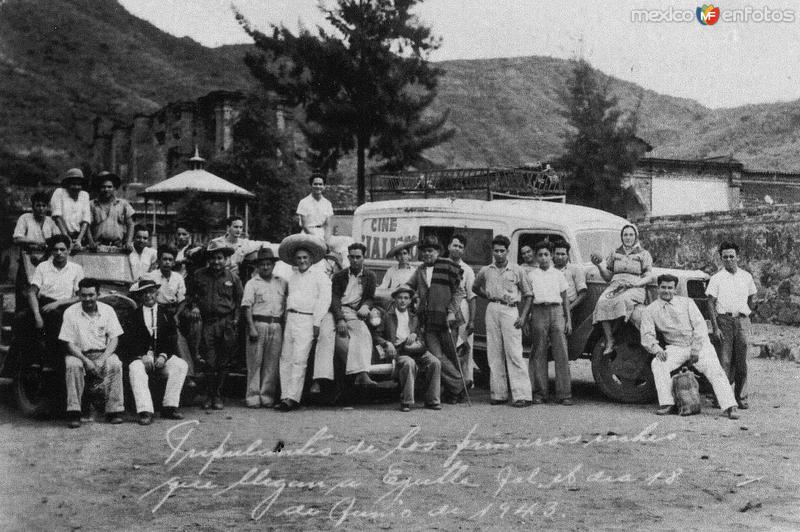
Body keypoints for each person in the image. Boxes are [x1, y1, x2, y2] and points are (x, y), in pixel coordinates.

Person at [640, 274, 739, 419]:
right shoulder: (650, 310)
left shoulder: (687, 303)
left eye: (670, 288)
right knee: (658, 363)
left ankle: (730, 406)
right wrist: (656, 349)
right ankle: (667, 403)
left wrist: (696, 348)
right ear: (658, 289)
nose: (666, 291)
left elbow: (700, 327)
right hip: (676, 347)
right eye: (663, 287)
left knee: (715, 369)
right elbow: (647, 334)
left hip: (699, 344)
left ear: (675, 289)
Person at [473, 234, 533, 407]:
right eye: (496, 251)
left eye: (502, 251)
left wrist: (523, 317)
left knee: (514, 352)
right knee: (494, 351)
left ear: (507, 251)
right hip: (492, 308)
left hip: (510, 310)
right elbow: (475, 287)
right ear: (492, 251)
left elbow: (529, 295)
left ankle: (522, 395)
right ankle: (498, 393)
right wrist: (487, 295)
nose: (499, 254)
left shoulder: (517, 270)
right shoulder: (486, 270)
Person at [312, 242, 377, 395]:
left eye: (358, 257)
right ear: (348, 257)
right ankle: (319, 380)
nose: (354, 260)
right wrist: (339, 318)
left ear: (363, 258)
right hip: (336, 310)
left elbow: (370, 297)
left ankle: (362, 373)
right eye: (352, 257)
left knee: (363, 333)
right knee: (325, 335)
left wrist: (366, 306)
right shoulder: (340, 276)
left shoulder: (370, 276)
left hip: (354, 312)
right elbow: (333, 298)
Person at [406, 235, 465, 403]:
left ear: (438, 251)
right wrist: (401, 292)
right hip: (429, 321)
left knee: (451, 355)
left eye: (430, 251)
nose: (427, 255)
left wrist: (452, 311)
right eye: (424, 252)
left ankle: (453, 392)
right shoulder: (420, 270)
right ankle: (459, 385)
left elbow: (459, 292)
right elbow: (410, 286)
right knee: (437, 357)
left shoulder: (448, 266)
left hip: (448, 320)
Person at [60, 278, 125, 428]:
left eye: (91, 295)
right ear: (79, 295)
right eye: (84, 295)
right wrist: (85, 360)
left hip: (102, 352)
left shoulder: (108, 310)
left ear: (98, 294)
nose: (87, 299)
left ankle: (114, 411)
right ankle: (74, 412)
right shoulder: (70, 312)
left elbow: (114, 338)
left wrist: (102, 358)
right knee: (72, 365)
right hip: (78, 353)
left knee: (115, 363)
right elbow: (68, 343)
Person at [276, 234, 331, 411]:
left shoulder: (320, 277)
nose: (302, 261)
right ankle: (284, 396)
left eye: (305, 258)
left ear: (312, 259)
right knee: (286, 358)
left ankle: (293, 397)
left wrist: (316, 323)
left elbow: (324, 300)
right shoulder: (291, 277)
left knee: (299, 360)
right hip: (291, 319)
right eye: (298, 258)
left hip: (307, 319)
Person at [186, 241, 243, 410]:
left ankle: (218, 395)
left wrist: (235, 320)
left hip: (226, 322)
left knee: (223, 361)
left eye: (219, 258)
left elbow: (240, 301)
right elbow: (190, 295)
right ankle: (209, 395)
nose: (216, 262)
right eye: (213, 258)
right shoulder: (199, 275)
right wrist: (194, 306)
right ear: (208, 259)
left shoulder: (232, 278)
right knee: (209, 361)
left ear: (225, 259)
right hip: (207, 322)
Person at [122, 279, 188, 425]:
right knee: (135, 368)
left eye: (151, 292)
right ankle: (145, 411)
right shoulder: (133, 316)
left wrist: (164, 355)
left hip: (161, 359)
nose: (148, 295)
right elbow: (128, 341)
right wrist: (142, 356)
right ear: (139, 296)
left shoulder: (166, 314)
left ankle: (169, 406)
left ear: (156, 293)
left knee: (180, 365)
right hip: (143, 358)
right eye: (144, 293)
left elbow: (172, 338)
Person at [706, 241, 756, 410]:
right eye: (725, 257)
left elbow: (751, 298)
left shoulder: (746, 277)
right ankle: (721, 398)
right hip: (724, 321)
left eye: (731, 256)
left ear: (738, 257)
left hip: (741, 321)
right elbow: (710, 303)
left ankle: (741, 397)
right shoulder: (716, 278)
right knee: (724, 361)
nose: (728, 260)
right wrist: (715, 327)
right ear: (721, 258)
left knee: (741, 362)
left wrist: (746, 314)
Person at [376, 284, 441, 412]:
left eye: (406, 298)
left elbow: (420, 333)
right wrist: (387, 343)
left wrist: (415, 334)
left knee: (435, 362)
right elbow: (377, 335)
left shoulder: (413, 316)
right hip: (399, 350)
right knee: (408, 363)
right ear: (394, 299)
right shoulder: (388, 316)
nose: (403, 301)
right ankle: (407, 401)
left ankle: (432, 400)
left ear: (410, 301)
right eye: (400, 298)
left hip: (415, 349)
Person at [591, 224, 653, 355]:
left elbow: (649, 276)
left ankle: (614, 333)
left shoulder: (643, 254)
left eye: (631, 234)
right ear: (622, 237)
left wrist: (637, 284)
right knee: (602, 302)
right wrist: (599, 266)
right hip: (615, 285)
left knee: (622, 301)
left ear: (635, 236)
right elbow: (608, 276)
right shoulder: (615, 253)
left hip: (635, 286)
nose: (628, 237)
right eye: (625, 235)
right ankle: (610, 340)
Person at [26, 234, 84, 367]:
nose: (59, 253)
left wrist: (57, 303)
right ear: (51, 251)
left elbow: (79, 296)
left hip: (63, 305)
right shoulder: (43, 267)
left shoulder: (76, 269)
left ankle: (53, 364)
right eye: (55, 249)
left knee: (56, 320)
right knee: (21, 318)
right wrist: (37, 316)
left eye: (62, 249)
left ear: (68, 250)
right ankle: (22, 365)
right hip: (43, 305)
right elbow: (31, 292)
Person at [527, 240, 573, 405]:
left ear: (551, 255)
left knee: (561, 351)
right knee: (539, 352)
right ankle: (540, 393)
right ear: (536, 257)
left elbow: (565, 298)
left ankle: (564, 394)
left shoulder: (558, 274)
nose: (544, 258)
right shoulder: (531, 275)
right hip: (539, 311)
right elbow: (529, 299)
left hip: (556, 312)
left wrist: (568, 319)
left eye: (546, 254)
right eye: (540, 255)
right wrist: (526, 319)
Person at [241, 247, 287, 408]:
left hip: (276, 325)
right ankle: (253, 396)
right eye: (262, 265)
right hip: (258, 324)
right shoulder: (252, 283)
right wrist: (251, 328)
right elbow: (246, 307)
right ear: (257, 266)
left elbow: (286, 304)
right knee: (255, 362)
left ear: (273, 265)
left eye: (268, 264)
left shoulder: (281, 282)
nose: (266, 267)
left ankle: (267, 395)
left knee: (271, 363)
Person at [447, 234, 477, 385]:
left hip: (462, 307)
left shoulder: (467, 270)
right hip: (445, 307)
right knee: (448, 345)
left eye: (460, 247)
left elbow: (472, 296)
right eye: (455, 245)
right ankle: (450, 381)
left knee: (463, 345)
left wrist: (472, 320)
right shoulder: (442, 265)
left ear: (463, 250)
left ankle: (466, 380)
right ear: (449, 247)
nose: (457, 249)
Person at [89, 171, 135, 250]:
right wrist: (91, 242)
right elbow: (87, 226)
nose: (106, 189)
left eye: (109, 187)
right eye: (103, 187)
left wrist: (128, 242)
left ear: (114, 188)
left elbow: (130, 224)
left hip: (118, 247)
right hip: (97, 247)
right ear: (98, 188)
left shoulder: (123, 204)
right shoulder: (92, 204)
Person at [50, 168, 91, 250]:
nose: (76, 187)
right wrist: (67, 238)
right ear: (67, 184)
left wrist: (79, 239)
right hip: (60, 235)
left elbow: (86, 219)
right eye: (73, 184)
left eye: (79, 184)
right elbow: (57, 218)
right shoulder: (59, 192)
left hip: (78, 237)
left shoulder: (84, 195)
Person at [296, 174, 334, 240]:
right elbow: (305, 226)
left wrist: (326, 239)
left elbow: (328, 226)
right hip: (307, 234)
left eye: (320, 184)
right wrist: (316, 239)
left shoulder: (327, 203)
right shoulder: (303, 202)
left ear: (324, 186)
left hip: (322, 233)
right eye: (315, 184)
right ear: (311, 185)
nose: (318, 186)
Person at [553, 239, 587, 311]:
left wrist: (569, 308)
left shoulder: (575, 270)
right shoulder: (549, 270)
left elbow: (583, 293)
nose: (560, 257)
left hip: (570, 307)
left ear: (568, 255)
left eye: (563, 254)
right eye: (557, 254)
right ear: (553, 255)